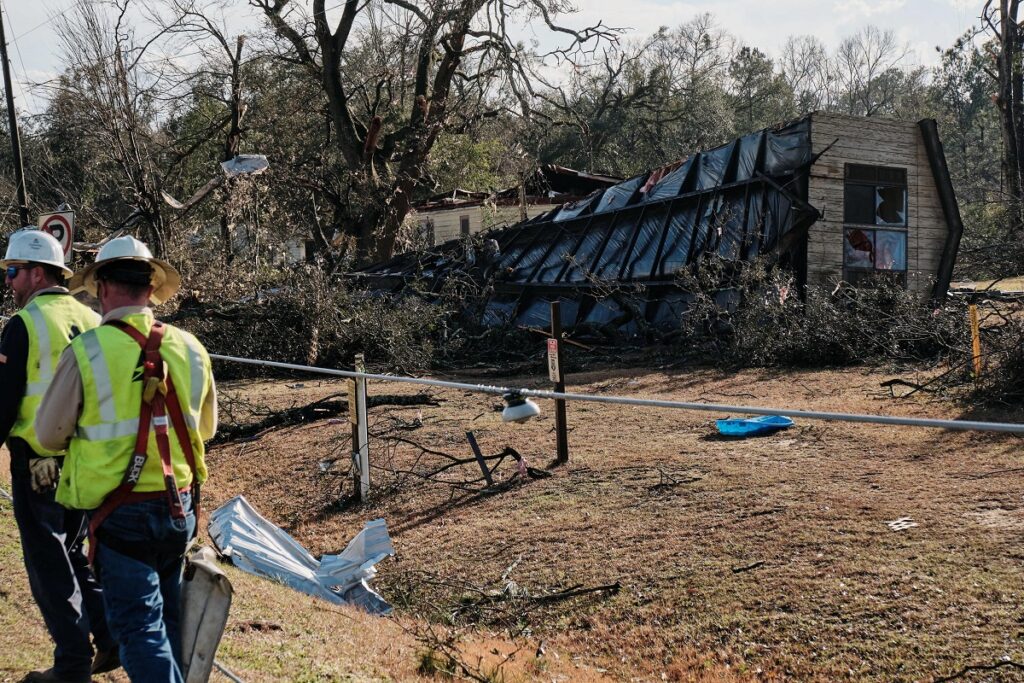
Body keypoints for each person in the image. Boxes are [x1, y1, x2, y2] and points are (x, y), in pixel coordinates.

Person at [36, 235, 217, 683]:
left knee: (139, 629)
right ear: (152, 290)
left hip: (120, 515)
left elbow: (49, 432)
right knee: (169, 621)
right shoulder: (192, 348)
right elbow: (206, 429)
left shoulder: (90, 349)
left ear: (102, 287)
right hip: (179, 509)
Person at [0, 228, 118, 683]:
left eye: (12, 272)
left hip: (36, 459)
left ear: (35, 273)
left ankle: (71, 664)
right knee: (76, 553)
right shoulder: (91, 319)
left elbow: (6, 399)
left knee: (49, 563)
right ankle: (108, 637)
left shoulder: (24, 325)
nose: (9, 282)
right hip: (83, 459)